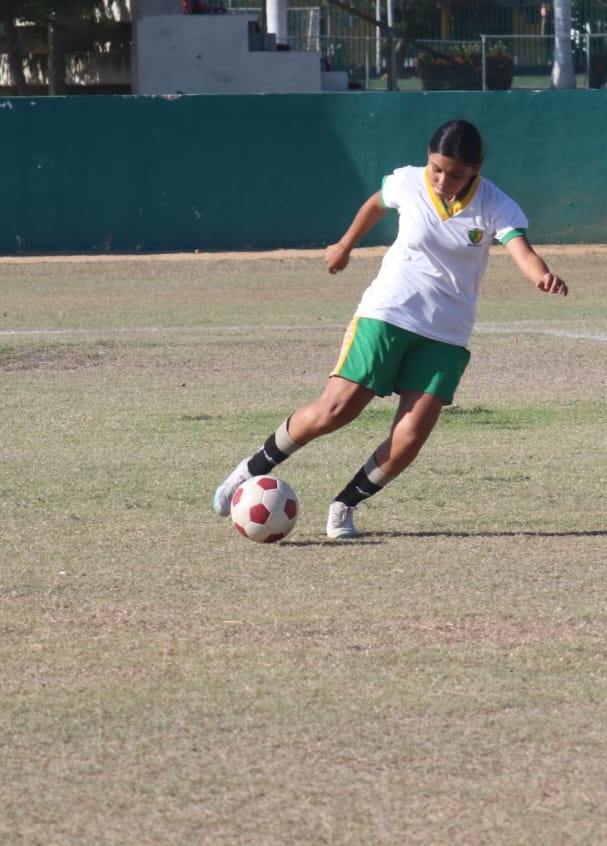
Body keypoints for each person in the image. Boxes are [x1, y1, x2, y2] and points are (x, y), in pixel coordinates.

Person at [211, 120, 568, 539]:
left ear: (476, 168)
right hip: (388, 313)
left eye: (455, 173)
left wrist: (541, 276)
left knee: (410, 437)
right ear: (427, 158)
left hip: (447, 333)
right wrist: (345, 245)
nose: (442, 180)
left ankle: (344, 505)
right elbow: (375, 204)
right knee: (336, 410)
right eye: (436, 168)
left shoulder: (496, 204)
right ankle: (250, 470)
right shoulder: (407, 182)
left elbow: (520, 249)